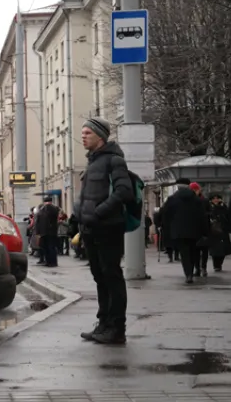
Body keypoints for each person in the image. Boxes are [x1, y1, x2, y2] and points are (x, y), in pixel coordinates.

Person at [75, 117, 134, 345]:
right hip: (90, 229)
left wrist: (98, 212)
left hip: (108, 228)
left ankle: (117, 328)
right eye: (82, 133)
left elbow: (123, 192)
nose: (83, 136)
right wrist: (78, 212)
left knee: (112, 276)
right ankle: (103, 323)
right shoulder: (92, 162)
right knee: (99, 276)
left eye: (87, 133)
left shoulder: (114, 161)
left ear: (100, 136)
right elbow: (86, 195)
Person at [158, 178, 209, 284]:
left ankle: (188, 274)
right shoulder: (197, 200)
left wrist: (166, 228)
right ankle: (194, 268)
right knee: (193, 250)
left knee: (184, 252)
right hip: (195, 230)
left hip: (178, 231)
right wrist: (204, 231)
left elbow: (165, 215)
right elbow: (202, 216)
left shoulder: (172, 199)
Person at [189, 182, 211, 276]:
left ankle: (203, 268)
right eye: (193, 190)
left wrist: (204, 215)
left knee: (204, 249)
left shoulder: (204, 200)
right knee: (195, 251)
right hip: (194, 229)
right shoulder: (189, 201)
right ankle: (197, 268)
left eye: (196, 189)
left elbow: (210, 212)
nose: (195, 191)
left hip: (204, 228)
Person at [207, 193, 231, 272]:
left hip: (223, 230)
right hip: (213, 231)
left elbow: (228, 216)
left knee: (223, 249)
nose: (216, 200)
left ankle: (219, 264)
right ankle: (216, 265)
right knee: (215, 249)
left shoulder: (223, 207)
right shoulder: (209, 207)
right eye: (214, 198)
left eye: (217, 198)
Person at [34, 197, 60, 268]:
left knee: (49, 247)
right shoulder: (45, 209)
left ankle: (51, 262)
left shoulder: (46, 209)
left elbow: (37, 222)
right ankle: (50, 261)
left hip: (47, 232)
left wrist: (38, 232)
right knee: (48, 247)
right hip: (49, 232)